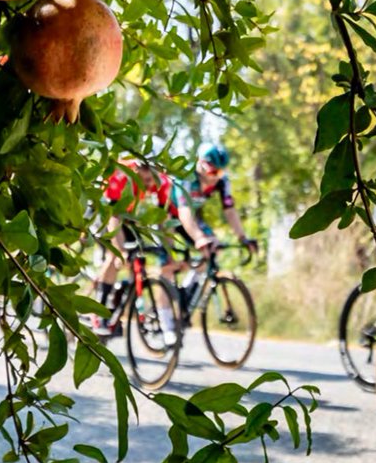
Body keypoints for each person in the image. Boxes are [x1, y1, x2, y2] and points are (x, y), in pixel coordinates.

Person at [92, 159, 173, 336]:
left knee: (138, 256)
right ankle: (99, 312)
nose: (150, 181)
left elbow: (164, 220)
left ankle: (118, 299)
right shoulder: (120, 175)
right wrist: (120, 250)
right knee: (115, 257)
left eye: (154, 175)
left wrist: (167, 248)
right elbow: (113, 219)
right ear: (136, 168)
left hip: (128, 216)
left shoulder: (162, 182)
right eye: (146, 174)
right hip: (106, 213)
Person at [160, 144, 258, 285]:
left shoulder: (222, 181)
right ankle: (164, 307)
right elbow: (184, 210)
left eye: (220, 173)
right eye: (213, 172)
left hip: (191, 218)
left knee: (212, 248)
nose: (216, 178)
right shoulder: (186, 176)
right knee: (167, 265)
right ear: (201, 164)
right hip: (169, 216)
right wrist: (199, 237)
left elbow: (230, 211)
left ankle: (188, 291)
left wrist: (242, 238)